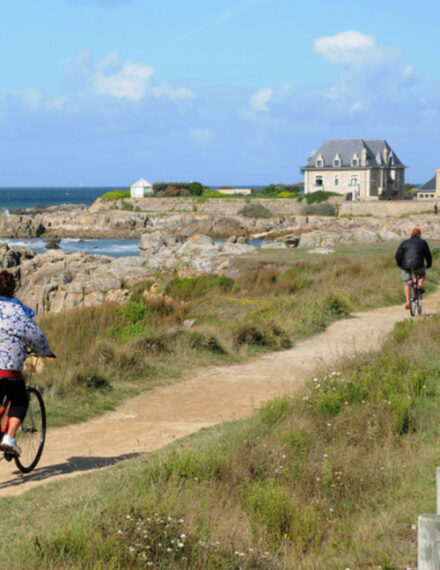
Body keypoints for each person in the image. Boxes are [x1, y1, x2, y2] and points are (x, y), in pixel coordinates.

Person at [0, 270, 54, 456]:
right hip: (8, 370)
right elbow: (36, 337)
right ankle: (9, 438)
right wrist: (45, 352)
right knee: (21, 400)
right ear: (13, 288)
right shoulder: (18, 312)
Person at [395, 228, 432, 310]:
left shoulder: (405, 242)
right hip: (419, 265)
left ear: (411, 234)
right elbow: (428, 255)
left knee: (406, 283)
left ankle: (408, 301)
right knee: (422, 273)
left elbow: (398, 255)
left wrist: (400, 264)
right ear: (419, 235)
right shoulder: (423, 242)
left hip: (406, 266)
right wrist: (429, 265)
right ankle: (420, 283)